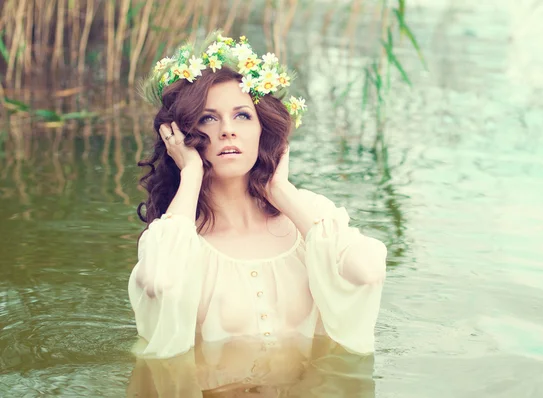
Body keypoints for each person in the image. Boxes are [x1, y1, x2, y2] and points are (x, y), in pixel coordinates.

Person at [129, 31, 387, 360]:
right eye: (208, 118)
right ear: (181, 134)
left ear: (263, 129)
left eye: (242, 115)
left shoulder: (308, 216)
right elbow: (159, 282)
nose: (227, 130)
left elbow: (368, 273)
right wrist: (191, 173)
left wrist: (282, 191)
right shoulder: (177, 236)